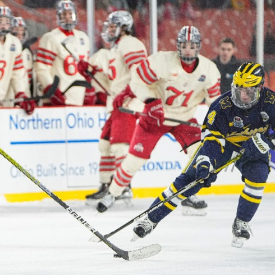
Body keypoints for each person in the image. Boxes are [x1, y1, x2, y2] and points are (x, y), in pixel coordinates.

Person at [131, 62, 275, 248]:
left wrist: (269, 142)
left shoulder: (274, 102)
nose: (242, 95)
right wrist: (206, 162)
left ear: (260, 88)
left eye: (248, 91)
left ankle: (241, 221)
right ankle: (150, 218)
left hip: (255, 147)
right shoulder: (222, 105)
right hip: (224, 146)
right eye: (238, 89)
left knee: (258, 177)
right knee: (191, 179)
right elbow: (210, 138)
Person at [97, 26, 221, 215]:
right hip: (155, 117)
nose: (188, 49)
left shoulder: (209, 70)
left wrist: (216, 123)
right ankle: (112, 194)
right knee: (134, 161)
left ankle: (188, 194)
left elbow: (215, 103)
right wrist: (150, 101)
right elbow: (138, 80)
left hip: (184, 119)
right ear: (178, 46)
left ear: (199, 47)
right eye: (184, 45)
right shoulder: (162, 61)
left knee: (200, 156)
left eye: (192, 45)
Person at [83, 11, 147, 201]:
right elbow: (110, 83)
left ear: (124, 28)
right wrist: (89, 73)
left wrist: (128, 93)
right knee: (105, 145)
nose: (109, 30)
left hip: (128, 104)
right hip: (117, 104)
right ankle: (106, 184)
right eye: (109, 26)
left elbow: (141, 74)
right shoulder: (115, 48)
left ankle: (123, 187)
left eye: (113, 26)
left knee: (120, 147)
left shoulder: (130, 43)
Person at [35, 0, 91, 106]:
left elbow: (85, 70)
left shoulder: (83, 38)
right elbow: (42, 69)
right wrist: (51, 90)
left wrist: (88, 89)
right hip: (58, 98)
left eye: (70, 14)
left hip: (78, 98)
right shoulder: (50, 38)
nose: (67, 17)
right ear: (58, 17)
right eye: (64, 14)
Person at [11, 17, 35, 98]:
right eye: (16, 29)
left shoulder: (28, 52)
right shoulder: (7, 48)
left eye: (22, 30)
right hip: (9, 93)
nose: (20, 33)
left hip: (24, 93)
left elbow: (31, 77)